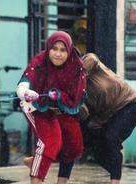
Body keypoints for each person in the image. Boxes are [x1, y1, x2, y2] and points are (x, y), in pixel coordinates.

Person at [58, 53, 136, 184]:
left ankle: (115, 181)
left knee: (110, 138)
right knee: (76, 143)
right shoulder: (69, 92)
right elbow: (84, 114)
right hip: (104, 117)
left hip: (128, 105)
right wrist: (72, 102)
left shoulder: (87, 63)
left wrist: (76, 79)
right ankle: (61, 181)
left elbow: (92, 58)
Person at [16, 31, 86, 184]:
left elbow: (76, 96)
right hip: (35, 106)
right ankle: (36, 180)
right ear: (48, 49)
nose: (58, 54)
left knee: (73, 145)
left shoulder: (76, 66)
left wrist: (59, 95)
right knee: (50, 141)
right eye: (54, 49)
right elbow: (22, 85)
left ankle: (36, 161)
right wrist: (27, 93)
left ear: (69, 50)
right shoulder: (40, 61)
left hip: (61, 107)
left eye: (63, 50)